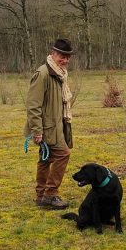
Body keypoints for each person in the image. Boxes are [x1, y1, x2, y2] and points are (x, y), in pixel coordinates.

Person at [24, 39, 74, 209]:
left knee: (46, 159)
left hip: (56, 126)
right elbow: (33, 105)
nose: (65, 60)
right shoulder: (44, 73)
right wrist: (37, 130)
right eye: (62, 56)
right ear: (53, 54)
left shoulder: (59, 74)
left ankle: (40, 196)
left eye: (68, 57)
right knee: (63, 154)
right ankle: (50, 194)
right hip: (47, 128)